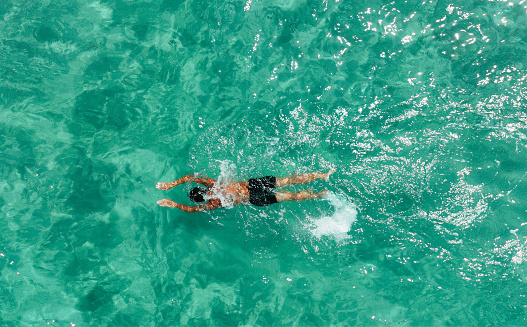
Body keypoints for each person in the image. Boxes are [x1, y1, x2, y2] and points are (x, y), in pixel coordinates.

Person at [156, 170, 333, 212]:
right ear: (202, 189)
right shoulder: (213, 184)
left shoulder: (213, 203)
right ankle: (323, 175)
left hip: (254, 198)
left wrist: (174, 204)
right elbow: (192, 176)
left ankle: (317, 194)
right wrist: (172, 184)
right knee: (289, 180)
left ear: (201, 199)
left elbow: (192, 210)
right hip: (251, 185)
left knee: (289, 196)